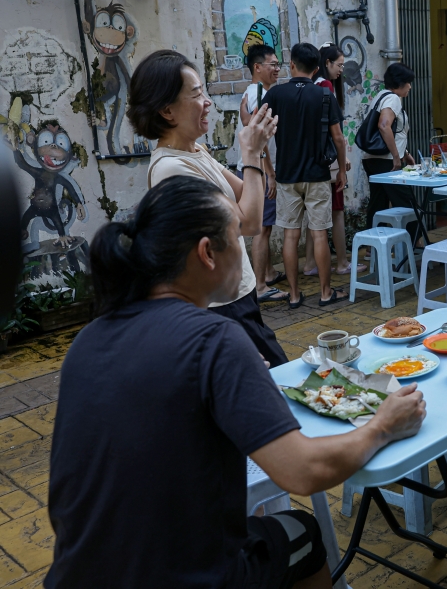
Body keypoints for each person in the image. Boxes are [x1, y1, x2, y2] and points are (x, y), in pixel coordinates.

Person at [45, 175, 426, 589]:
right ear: (208, 253)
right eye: (238, 238)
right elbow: (303, 472)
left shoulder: (87, 340)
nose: (245, 253)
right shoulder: (215, 338)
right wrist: (383, 425)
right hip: (187, 578)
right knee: (302, 530)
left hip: (76, 574)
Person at [131, 49, 289, 368]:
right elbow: (249, 223)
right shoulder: (170, 169)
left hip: (239, 293)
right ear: (167, 111)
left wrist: (255, 156)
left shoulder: (196, 151)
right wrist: (251, 156)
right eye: (197, 94)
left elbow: (247, 194)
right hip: (220, 307)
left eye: (203, 92)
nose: (208, 103)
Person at [262, 42, 348, 308]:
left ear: (291, 65)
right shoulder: (324, 95)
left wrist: (269, 170)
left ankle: (295, 295)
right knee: (320, 233)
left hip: (287, 176)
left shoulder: (276, 94)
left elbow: (259, 130)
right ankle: (324, 293)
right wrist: (342, 169)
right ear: (317, 68)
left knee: (290, 235)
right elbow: (338, 138)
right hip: (318, 174)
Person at [302, 42, 365, 277]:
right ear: (326, 63)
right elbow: (335, 134)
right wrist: (342, 158)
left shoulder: (310, 86)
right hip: (328, 159)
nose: (342, 70)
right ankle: (342, 262)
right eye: (339, 65)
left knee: (315, 215)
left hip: (309, 160)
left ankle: (309, 263)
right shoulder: (326, 87)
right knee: (337, 210)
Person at [236, 44, 287, 303]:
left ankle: (267, 272)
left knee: (264, 226)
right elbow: (259, 140)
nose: (277, 69)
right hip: (258, 169)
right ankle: (259, 286)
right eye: (273, 64)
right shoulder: (258, 94)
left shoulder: (258, 92)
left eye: (279, 64)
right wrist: (269, 173)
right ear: (258, 67)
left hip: (256, 167)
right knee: (262, 229)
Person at [362, 62, 418, 243]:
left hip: (372, 159)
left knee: (378, 204)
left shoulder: (380, 96)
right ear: (400, 83)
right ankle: (415, 242)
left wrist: (405, 153)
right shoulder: (393, 99)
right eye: (408, 82)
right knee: (407, 202)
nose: (410, 86)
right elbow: (385, 126)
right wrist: (396, 156)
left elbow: (395, 131)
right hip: (386, 161)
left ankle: (372, 246)